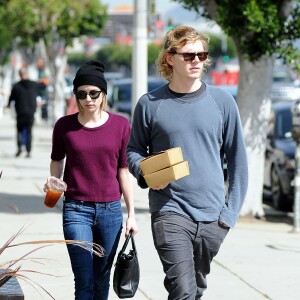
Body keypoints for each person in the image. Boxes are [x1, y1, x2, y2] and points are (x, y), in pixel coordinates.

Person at [126, 25, 248, 299]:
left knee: (194, 289)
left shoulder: (223, 102)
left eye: (201, 55)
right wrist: (147, 174)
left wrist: (229, 216)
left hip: (213, 218)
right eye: (189, 55)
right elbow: (132, 151)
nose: (197, 61)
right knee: (182, 290)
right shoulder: (150, 103)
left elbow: (238, 161)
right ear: (170, 58)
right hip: (170, 211)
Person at [43, 60, 138, 300]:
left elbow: (123, 172)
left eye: (94, 93)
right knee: (84, 281)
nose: (89, 99)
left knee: (101, 280)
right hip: (76, 210)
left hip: (110, 212)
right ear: (75, 95)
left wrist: (132, 214)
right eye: (82, 94)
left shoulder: (121, 125)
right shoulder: (64, 126)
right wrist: (53, 181)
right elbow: (57, 159)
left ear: (103, 93)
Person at [7, 67, 44, 158]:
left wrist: (7, 105)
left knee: (19, 130)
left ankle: (19, 148)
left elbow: (11, 98)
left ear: (20, 75)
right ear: (26, 74)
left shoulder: (16, 86)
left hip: (20, 112)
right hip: (31, 112)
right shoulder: (34, 84)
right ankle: (28, 151)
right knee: (29, 131)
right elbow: (43, 86)